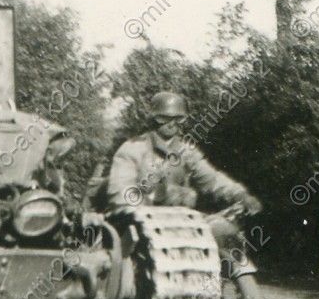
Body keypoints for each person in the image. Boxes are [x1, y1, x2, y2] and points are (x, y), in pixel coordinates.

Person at [106, 91, 262, 214]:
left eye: (178, 119)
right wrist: (156, 197)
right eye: (164, 118)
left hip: (178, 221)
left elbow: (212, 180)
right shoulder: (133, 148)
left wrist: (239, 195)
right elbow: (120, 194)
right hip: (136, 222)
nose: (171, 124)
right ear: (154, 119)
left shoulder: (187, 151)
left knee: (225, 232)